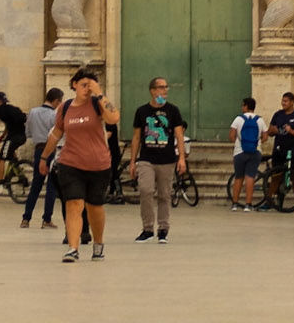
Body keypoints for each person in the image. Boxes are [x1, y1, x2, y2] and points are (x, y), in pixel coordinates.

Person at [40, 67, 119, 263]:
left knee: (95, 207)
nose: (87, 89)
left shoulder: (97, 104)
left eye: (90, 85)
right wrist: (44, 158)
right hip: (71, 163)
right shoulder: (65, 107)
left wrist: (99, 94)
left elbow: (113, 118)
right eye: (83, 85)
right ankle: (72, 248)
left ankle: (98, 244)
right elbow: (57, 133)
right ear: (74, 85)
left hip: (99, 164)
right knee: (74, 204)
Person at [128, 75, 187, 241]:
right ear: (152, 90)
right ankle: (147, 228)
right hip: (147, 158)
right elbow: (137, 137)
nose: (165, 90)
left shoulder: (173, 111)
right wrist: (132, 161)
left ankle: (163, 229)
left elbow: (179, 135)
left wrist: (181, 158)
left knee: (164, 195)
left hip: (167, 159)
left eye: (166, 87)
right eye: (161, 87)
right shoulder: (142, 111)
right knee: (146, 190)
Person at [21, 87, 63, 229]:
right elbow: (57, 134)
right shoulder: (54, 115)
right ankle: (46, 219)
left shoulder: (32, 112)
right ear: (56, 100)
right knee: (51, 186)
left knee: (36, 186)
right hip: (50, 150)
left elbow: (27, 132)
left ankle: (26, 218)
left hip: (38, 150)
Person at [265, 90, 294, 210]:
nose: (283, 103)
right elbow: (269, 132)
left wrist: (292, 131)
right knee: (275, 177)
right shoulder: (277, 115)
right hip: (279, 150)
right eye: (282, 101)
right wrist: (272, 131)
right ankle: (269, 202)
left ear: (292, 102)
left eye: (285, 101)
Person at [229, 97, 262, 211]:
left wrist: (239, 142)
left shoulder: (238, 119)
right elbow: (266, 136)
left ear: (246, 106)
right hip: (255, 151)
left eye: (243, 105)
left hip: (239, 152)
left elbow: (232, 136)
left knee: (239, 177)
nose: (242, 107)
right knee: (250, 177)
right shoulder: (259, 120)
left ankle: (235, 203)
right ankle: (248, 204)